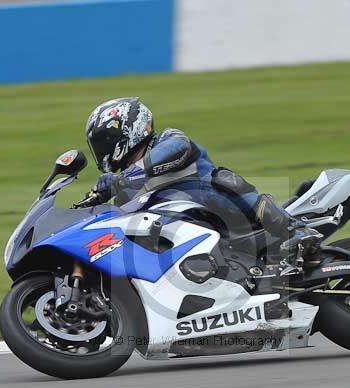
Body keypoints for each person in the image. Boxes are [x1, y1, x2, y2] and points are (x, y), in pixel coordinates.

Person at [84, 97, 322, 264]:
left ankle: (294, 230)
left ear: (128, 132)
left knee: (219, 181)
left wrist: (123, 178)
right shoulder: (125, 188)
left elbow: (179, 147)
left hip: (231, 218)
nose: (102, 150)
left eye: (104, 142)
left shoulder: (167, 139)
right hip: (193, 244)